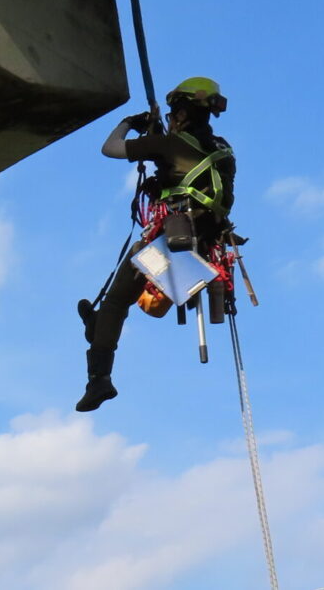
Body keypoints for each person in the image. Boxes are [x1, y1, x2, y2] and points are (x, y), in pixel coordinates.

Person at [75, 77, 236, 412]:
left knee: (119, 300)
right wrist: (156, 138)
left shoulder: (168, 146)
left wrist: (129, 125)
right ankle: (98, 322)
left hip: (174, 245)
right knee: (117, 299)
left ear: (183, 112)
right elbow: (185, 172)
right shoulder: (224, 150)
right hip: (204, 247)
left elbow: (110, 148)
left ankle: (99, 380)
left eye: (175, 112)